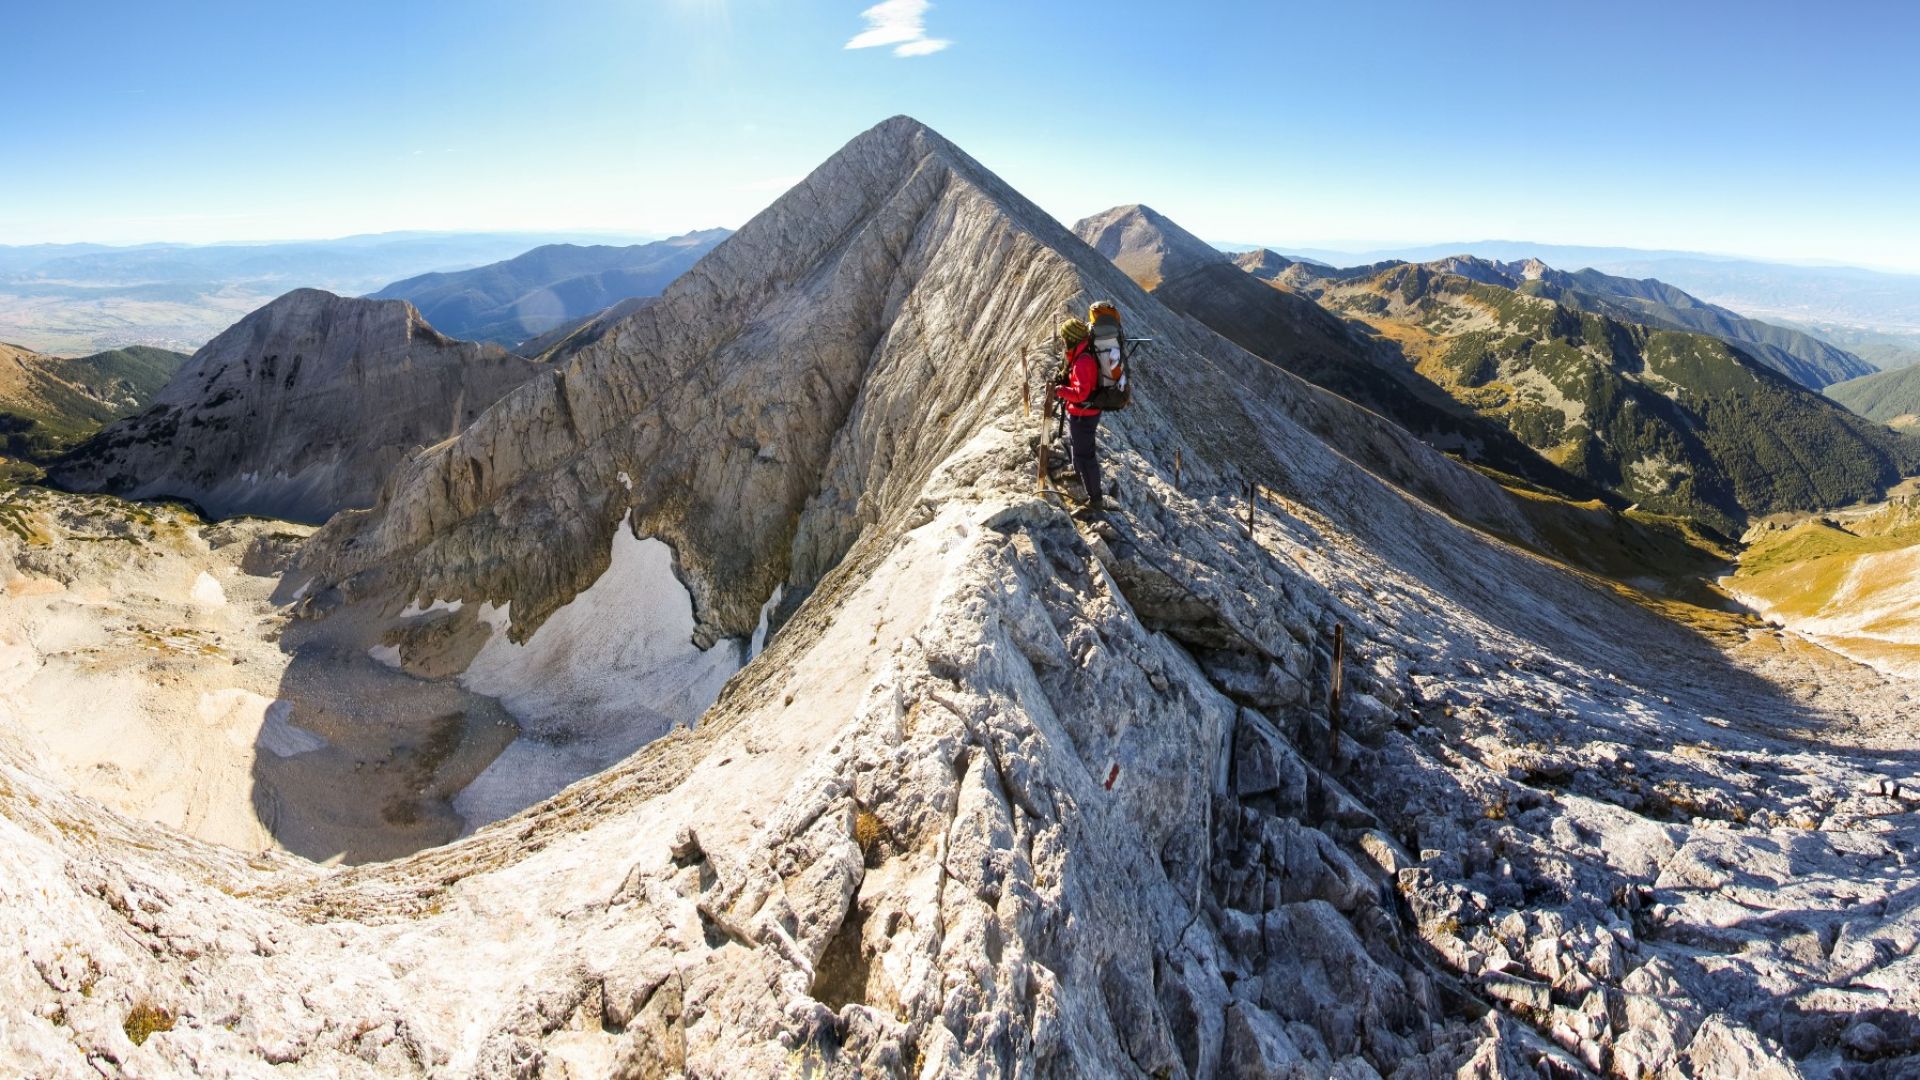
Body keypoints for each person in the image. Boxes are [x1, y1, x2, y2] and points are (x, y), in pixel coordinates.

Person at [1054, 317, 1107, 519]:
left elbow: (1081, 393)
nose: (1063, 341)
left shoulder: (1083, 361)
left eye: (1065, 338)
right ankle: (1078, 474)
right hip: (1081, 413)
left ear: (1072, 339)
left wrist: (1060, 390)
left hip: (1084, 415)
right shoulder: (1082, 353)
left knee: (1087, 457)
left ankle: (1095, 500)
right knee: (1078, 448)